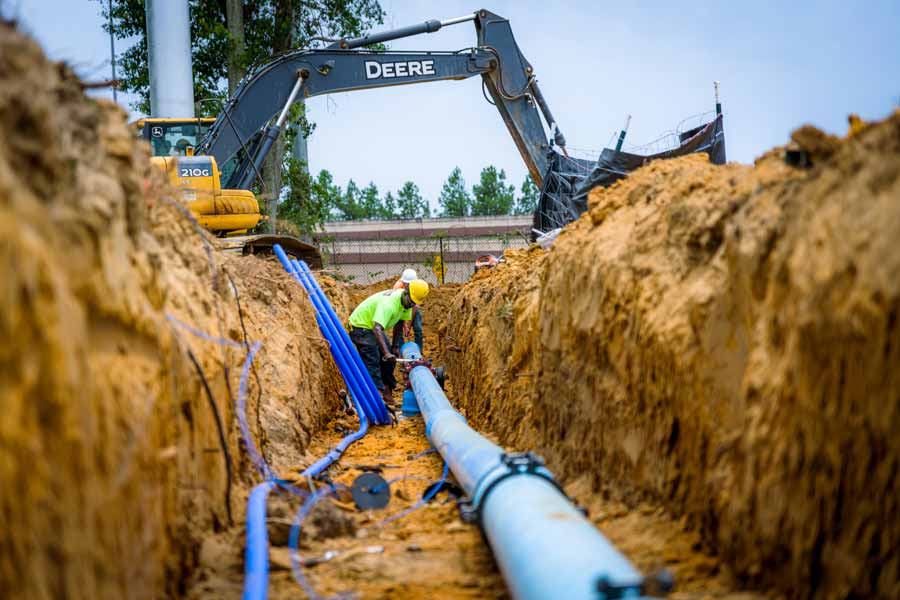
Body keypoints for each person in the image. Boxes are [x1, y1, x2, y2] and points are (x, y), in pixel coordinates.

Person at [348, 279, 429, 404]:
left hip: (373, 327)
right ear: (406, 292)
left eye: (414, 304)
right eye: (411, 302)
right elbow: (377, 328)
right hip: (361, 326)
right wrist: (386, 353)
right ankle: (376, 398)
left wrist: (394, 347)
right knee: (373, 359)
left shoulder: (407, 302)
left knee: (390, 360)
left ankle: (387, 393)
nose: (412, 305)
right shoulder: (390, 304)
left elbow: (399, 323)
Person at [392, 268, 424, 351]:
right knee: (398, 330)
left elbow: (415, 307)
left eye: (410, 284)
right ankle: (402, 350)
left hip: (413, 308)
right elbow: (398, 309)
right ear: (403, 281)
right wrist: (404, 325)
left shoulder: (417, 287)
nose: (408, 285)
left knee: (418, 328)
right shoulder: (397, 288)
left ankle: (419, 351)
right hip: (399, 308)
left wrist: (408, 325)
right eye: (406, 283)